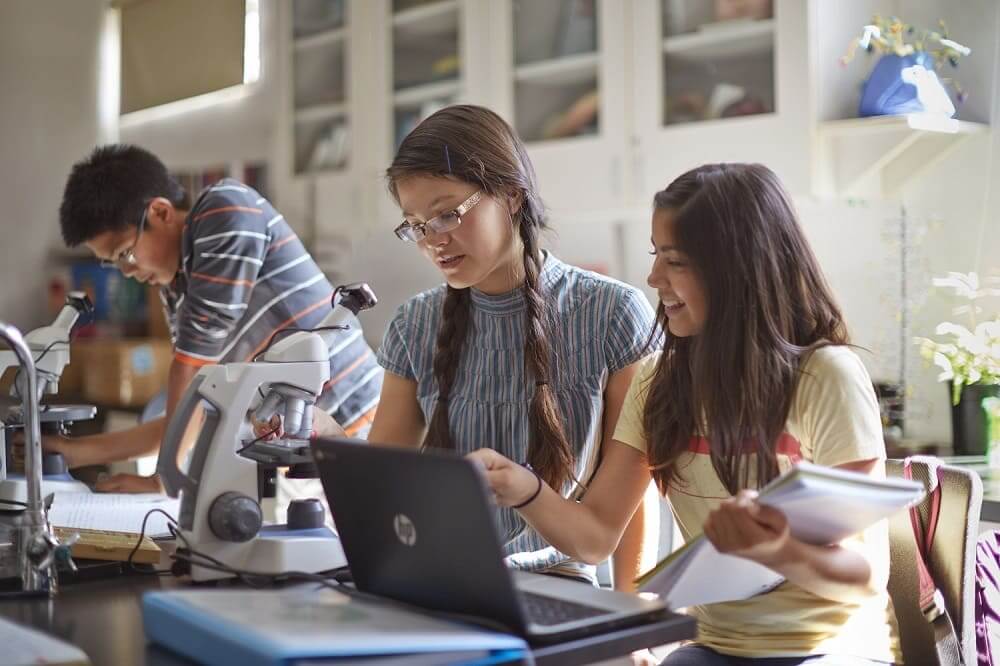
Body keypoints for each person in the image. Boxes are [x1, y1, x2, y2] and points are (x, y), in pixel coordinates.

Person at [470, 163, 901, 664]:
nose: (653, 277)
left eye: (674, 262)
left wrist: (777, 549)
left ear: (738, 268)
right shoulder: (657, 383)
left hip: (833, 648)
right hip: (713, 648)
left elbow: (866, 579)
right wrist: (525, 490)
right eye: (657, 257)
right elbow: (594, 539)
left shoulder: (826, 377)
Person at [355, 104, 659, 588]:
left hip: (558, 582)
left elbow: (628, 497)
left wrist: (635, 612)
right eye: (415, 225)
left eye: (447, 214)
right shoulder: (414, 324)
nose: (434, 240)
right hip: (434, 582)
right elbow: (382, 494)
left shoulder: (613, 314)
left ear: (512, 196)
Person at [50, 144, 383, 492]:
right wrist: (74, 452)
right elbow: (195, 410)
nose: (127, 271)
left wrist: (165, 479)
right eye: (113, 263)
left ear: (161, 213)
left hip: (363, 428)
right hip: (301, 456)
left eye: (125, 253)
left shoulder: (224, 209)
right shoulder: (177, 287)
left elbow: (192, 371)